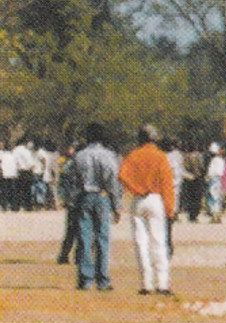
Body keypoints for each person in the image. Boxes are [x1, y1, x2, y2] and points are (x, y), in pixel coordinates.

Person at [119, 124, 175, 296]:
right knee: (158, 242)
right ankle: (162, 283)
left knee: (141, 243)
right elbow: (167, 184)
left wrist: (135, 188)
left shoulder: (133, 155)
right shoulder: (160, 157)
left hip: (138, 200)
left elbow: (121, 175)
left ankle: (146, 284)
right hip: (156, 199)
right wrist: (169, 209)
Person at [74, 123, 120, 292]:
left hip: (84, 196)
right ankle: (102, 279)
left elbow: (75, 180)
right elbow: (112, 181)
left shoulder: (80, 155)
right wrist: (117, 205)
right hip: (102, 196)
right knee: (102, 237)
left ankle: (85, 279)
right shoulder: (108, 156)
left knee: (84, 237)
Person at [55, 143, 82, 267]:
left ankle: (64, 255)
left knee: (70, 230)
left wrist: (64, 198)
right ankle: (79, 256)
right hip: (81, 200)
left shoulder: (69, 163)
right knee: (84, 230)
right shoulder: (82, 163)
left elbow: (62, 182)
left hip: (72, 201)